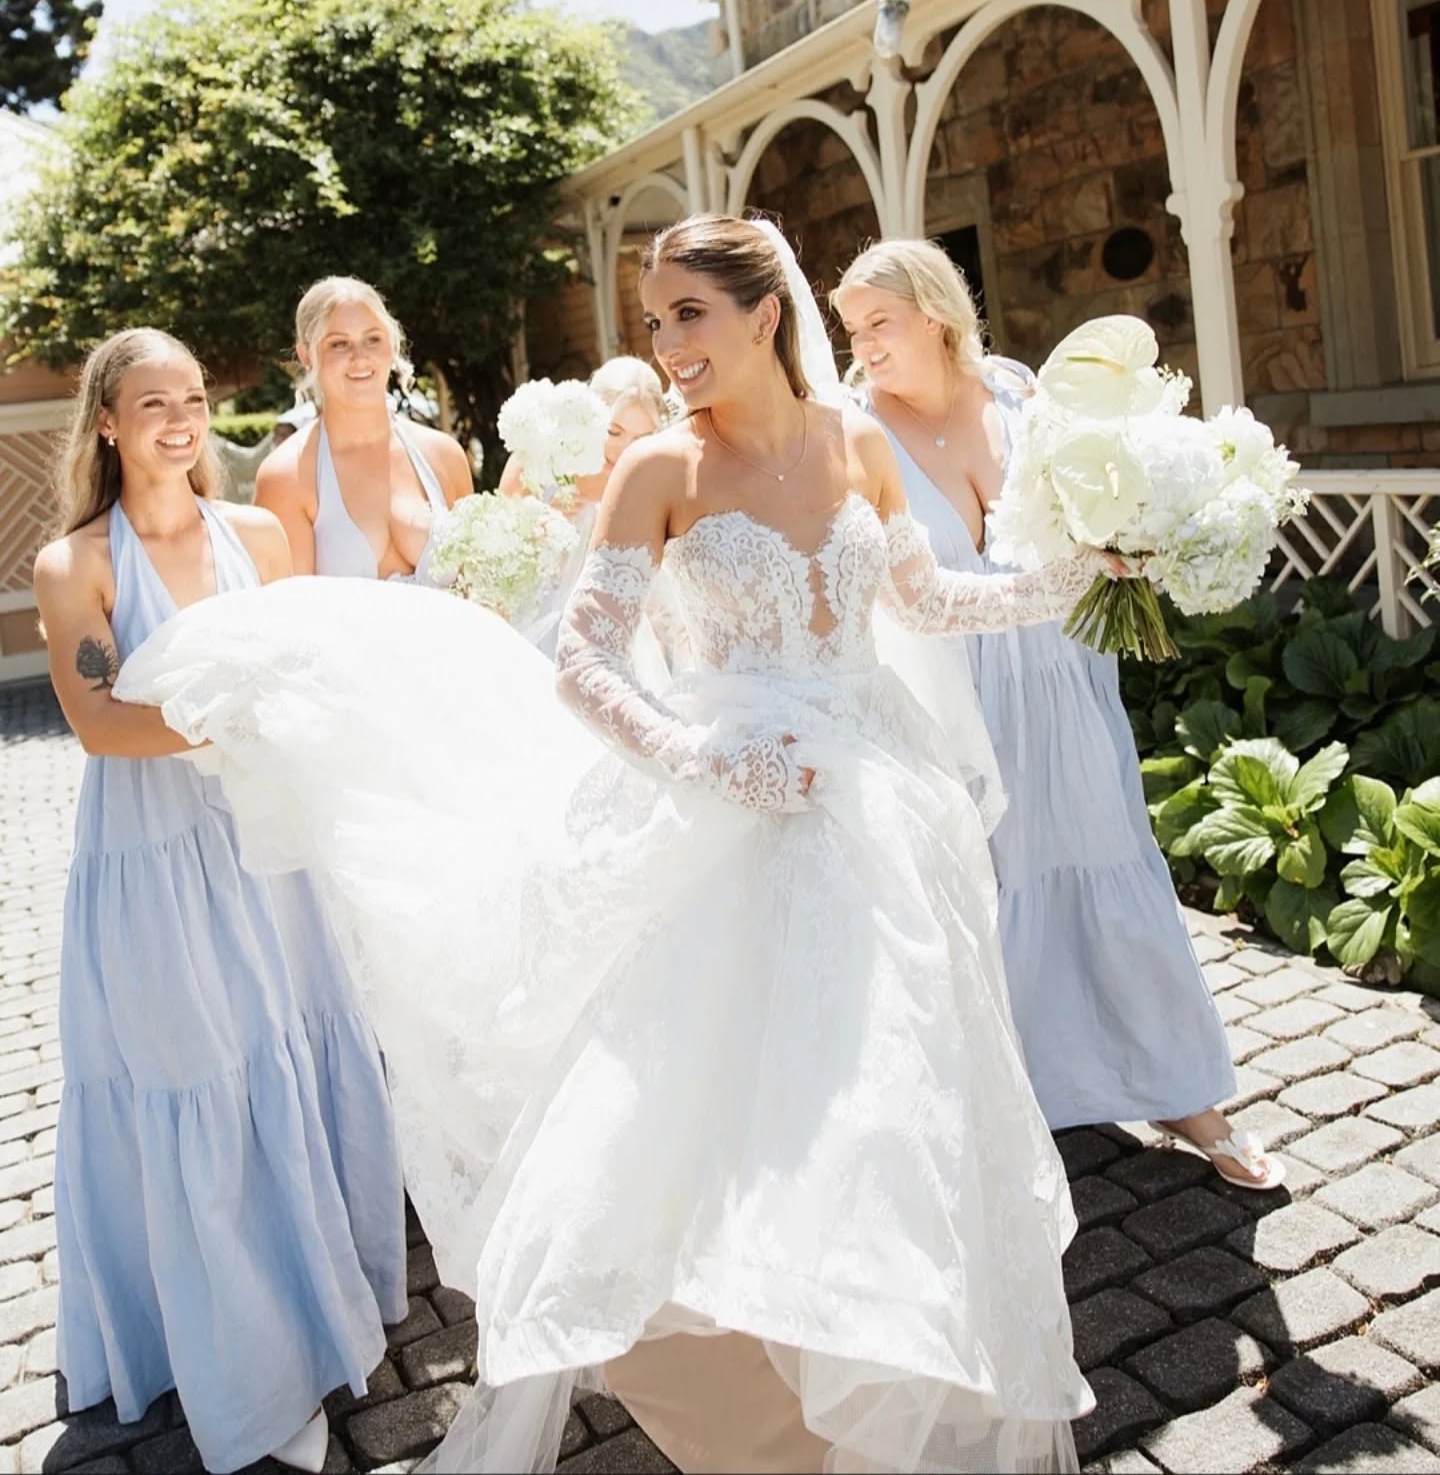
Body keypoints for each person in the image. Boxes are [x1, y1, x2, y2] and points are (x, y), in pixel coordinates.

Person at [114, 216, 1118, 1473]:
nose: (668, 343)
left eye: (688, 313)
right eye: (655, 323)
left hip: (880, 806)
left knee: (884, 1118)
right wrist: (707, 759)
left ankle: (883, 1379)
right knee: (700, 1127)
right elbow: (583, 664)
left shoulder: (856, 441)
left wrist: (1074, 575)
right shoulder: (660, 470)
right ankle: (759, 1416)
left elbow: (922, 600)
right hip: (725, 815)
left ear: (765, 313)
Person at [32, 328, 408, 1475]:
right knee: (197, 1068)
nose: (181, 420)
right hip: (154, 859)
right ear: (107, 421)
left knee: (289, 1045)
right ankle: (244, 1365)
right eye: (154, 403)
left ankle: (319, 1302)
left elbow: (313, 667)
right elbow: (101, 725)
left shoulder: (253, 533)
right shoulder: (74, 566)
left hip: (267, 851)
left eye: (194, 399)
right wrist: (242, 719)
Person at [832, 239, 1280, 1190]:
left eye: (880, 323)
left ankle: (1182, 1089)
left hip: (1063, 675)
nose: (862, 345)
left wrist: (1136, 537)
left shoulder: (1016, 394)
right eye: (852, 329)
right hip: (953, 687)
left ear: (937, 316)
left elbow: (1098, 504)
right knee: (991, 887)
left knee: (1106, 852)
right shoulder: (854, 430)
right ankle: (1014, 1098)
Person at [255, 276, 472, 578]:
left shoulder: (444, 455)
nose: (360, 358)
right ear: (306, 355)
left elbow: (478, 586)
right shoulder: (285, 476)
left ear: (391, 344)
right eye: (339, 344)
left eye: (373, 339)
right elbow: (293, 615)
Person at [499, 357, 669, 659]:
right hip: (532, 633)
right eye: (614, 432)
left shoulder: (647, 486)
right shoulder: (540, 462)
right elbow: (497, 546)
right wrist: (539, 522)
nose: (624, 450)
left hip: (609, 640)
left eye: (641, 438)